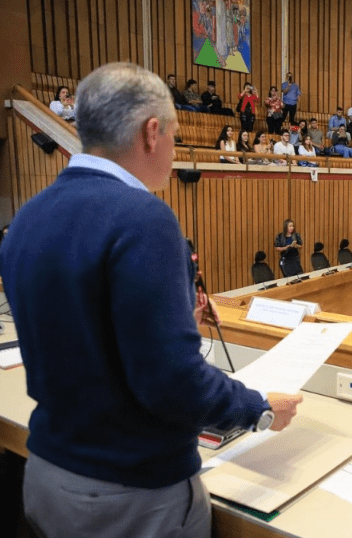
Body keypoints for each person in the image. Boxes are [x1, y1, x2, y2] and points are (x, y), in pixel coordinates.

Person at [0, 62, 303, 538]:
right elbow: (171, 383)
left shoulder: (28, 217)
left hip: (46, 477)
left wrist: (177, 319)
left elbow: (81, 333)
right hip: (130, 496)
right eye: (176, 135)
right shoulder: (144, 218)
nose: (176, 149)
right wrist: (259, 407)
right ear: (151, 132)